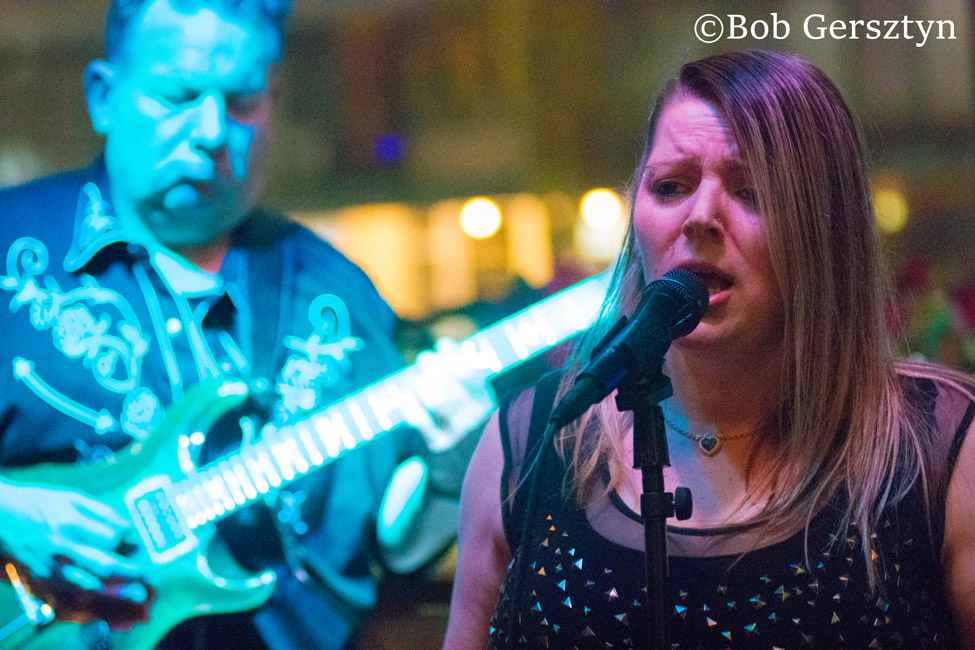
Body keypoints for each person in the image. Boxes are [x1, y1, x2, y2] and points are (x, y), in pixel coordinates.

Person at [0, 1, 492, 649]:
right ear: (103, 97)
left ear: (274, 104)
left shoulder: (338, 296)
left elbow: (388, 547)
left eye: (240, 102)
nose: (210, 130)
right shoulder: (9, 251)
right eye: (178, 95)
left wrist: (452, 469)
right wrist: (11, 516)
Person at [444, 50, 975, 649]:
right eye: (670, 186)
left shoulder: (939, 453)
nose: (700, 217)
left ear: (825, 228)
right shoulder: (529, 444)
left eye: (751, 192)